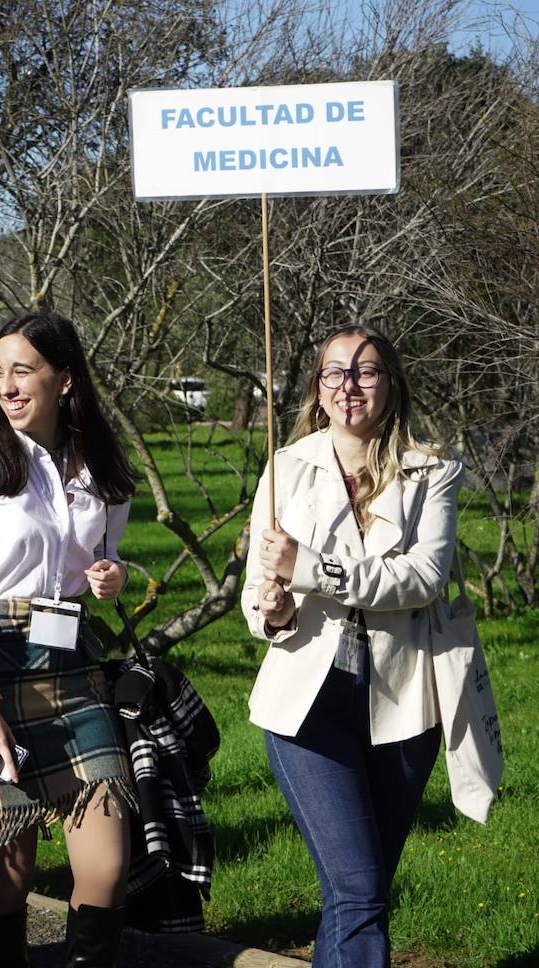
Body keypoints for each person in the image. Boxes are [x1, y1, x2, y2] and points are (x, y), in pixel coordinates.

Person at [243, 324, 459, 968]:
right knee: (360, 889)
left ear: (391, 383)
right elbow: (258, 596)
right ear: (318, 386)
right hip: (306, 706)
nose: (349, 385)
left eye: (365, 371)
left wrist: (310, 569)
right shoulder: (286, 468)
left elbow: (423, 577)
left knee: (358, 895)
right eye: (335, 372)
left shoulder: (431, 471)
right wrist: (272, 610)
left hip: (402, 706)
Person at [0, 313, 137, 968]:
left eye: (23, 370)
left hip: (75, 664)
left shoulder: (102, 465)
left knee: (106, 864)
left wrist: (114, 575)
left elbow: (106, 556)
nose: (7, 385)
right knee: (7, 874)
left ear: (66, 380)